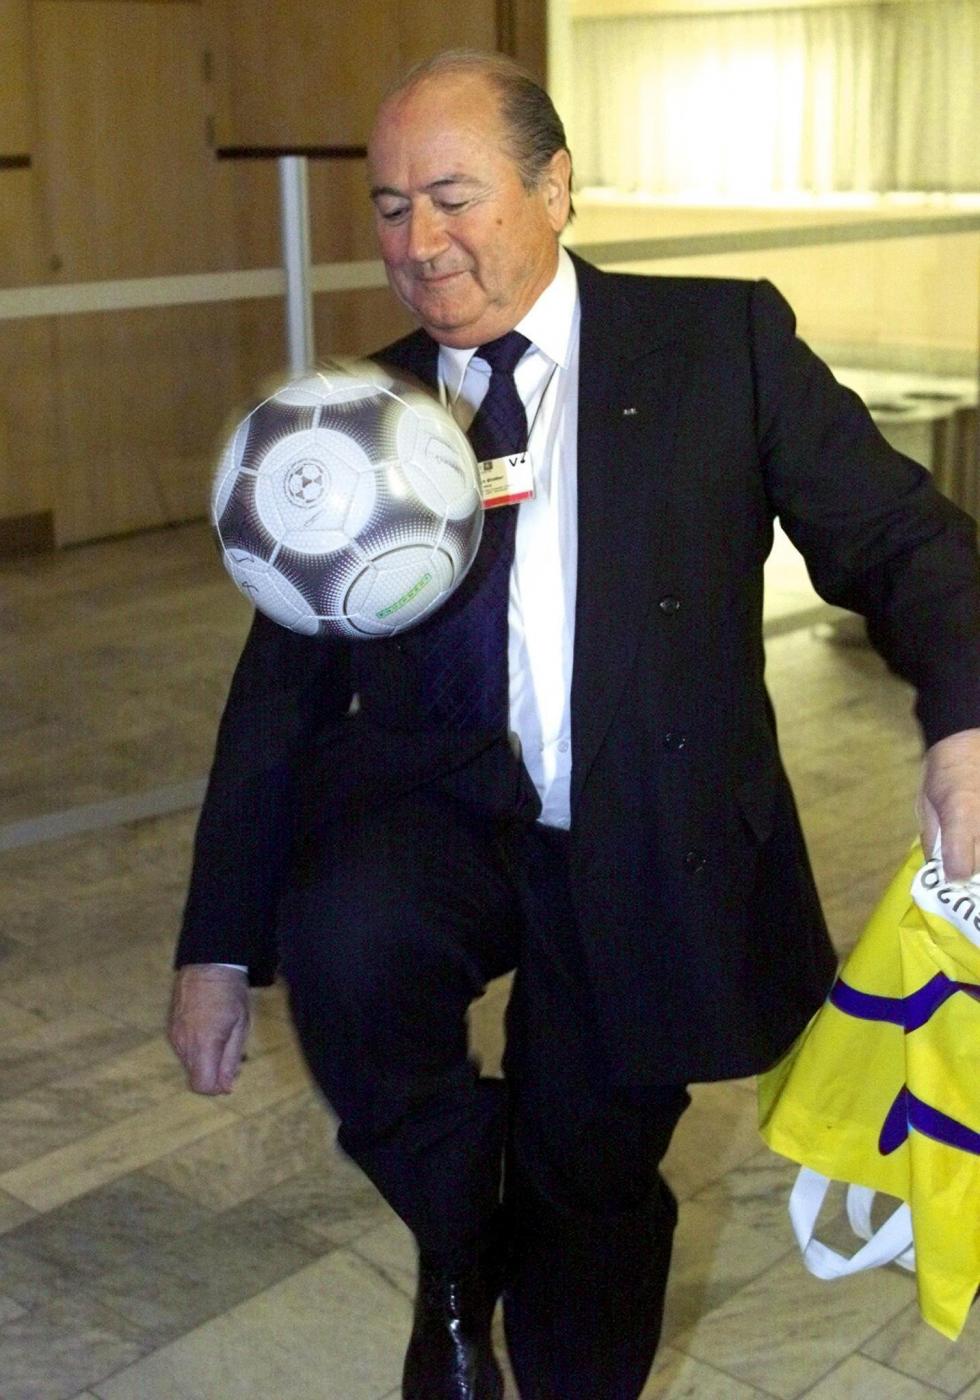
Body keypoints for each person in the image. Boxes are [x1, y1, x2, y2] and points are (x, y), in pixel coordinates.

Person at [168, 49, 980, 1400]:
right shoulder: (354, 418)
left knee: (589, 1180)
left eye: (452, 198)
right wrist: (215, 944)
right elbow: (278, 695)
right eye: (389, 208)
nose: (418, 243)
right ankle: (457, 1235)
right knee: (347, 949)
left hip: (644, 824)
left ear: (554, 189)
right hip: (435, 814)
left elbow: (905, 541)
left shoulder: (717, 345)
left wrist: (966, 723)